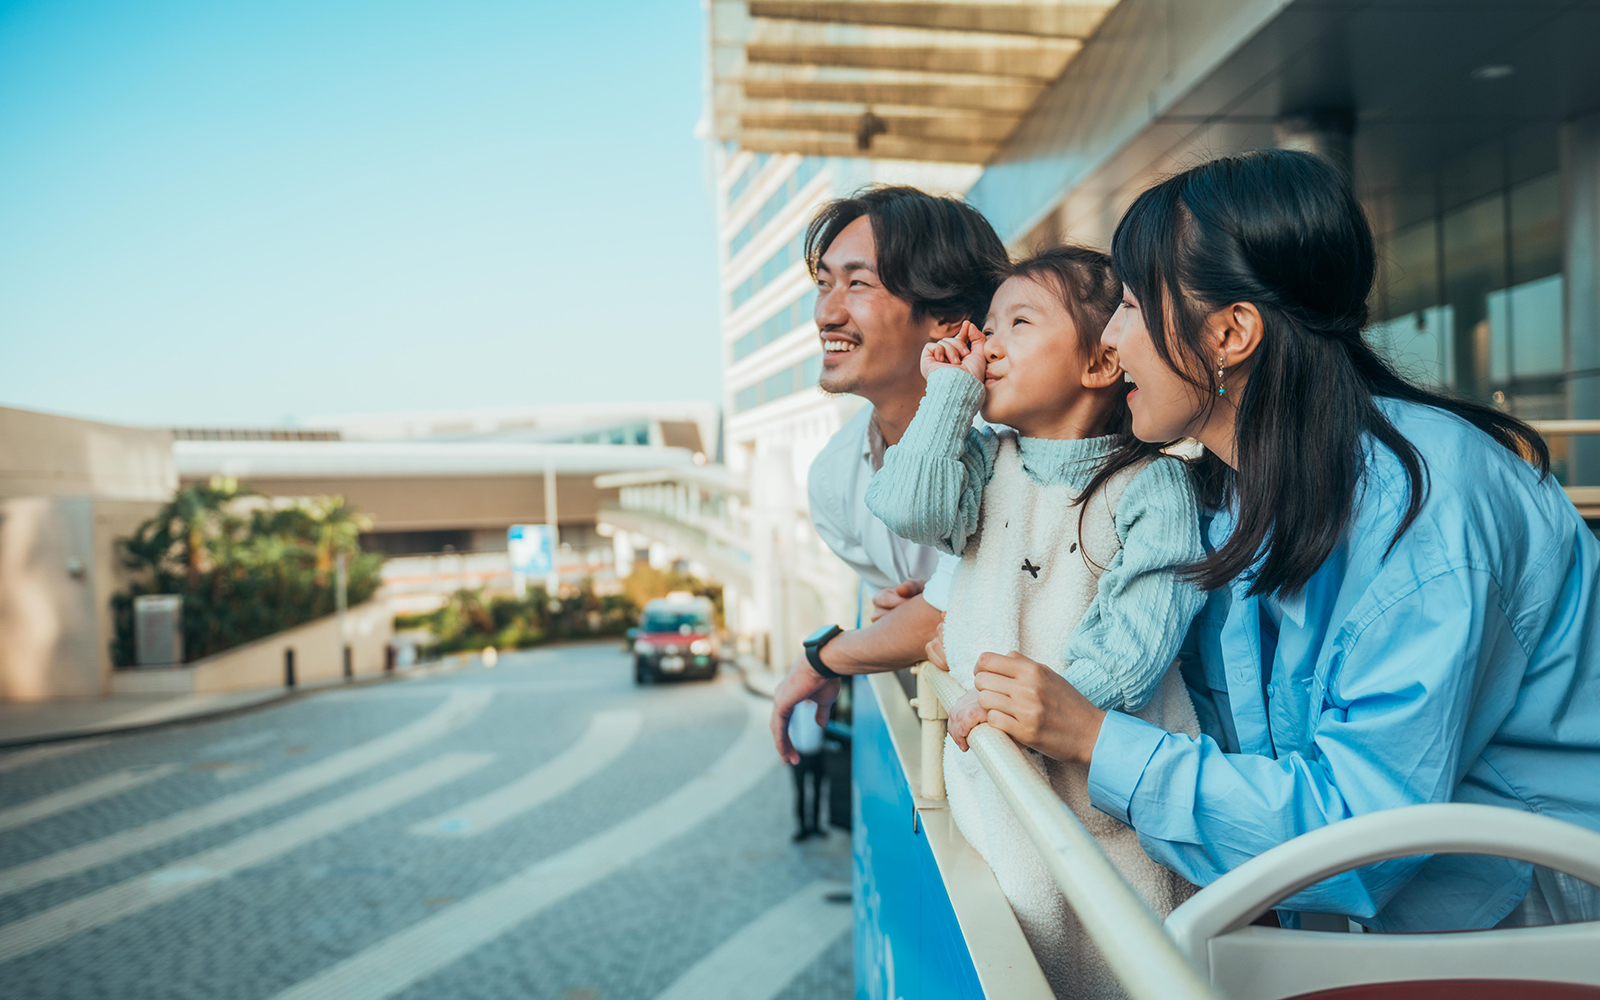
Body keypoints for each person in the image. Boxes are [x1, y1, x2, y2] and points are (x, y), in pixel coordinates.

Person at [931, 148, 1600, 932]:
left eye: (1135, 307)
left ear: (1231, 332)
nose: (1112, 340)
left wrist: (1094, 738)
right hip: (1381, 932)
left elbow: (1360, 841)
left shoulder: (1430, 513)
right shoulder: (1235, 489)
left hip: (1528, 940)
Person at [865, 246, 1206, 998]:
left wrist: (1028, 708)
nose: (987, 344)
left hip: (1100, 795)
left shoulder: (1153, 486)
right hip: (997, 775)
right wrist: (949, 397)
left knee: (1116, 957)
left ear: (1098, 363)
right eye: (987, 327)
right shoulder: (989, 464)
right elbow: (908, 506)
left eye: (1017, 323)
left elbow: (1137, 643)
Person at [771, 185, 1009, 761]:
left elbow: (948, 613)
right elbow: (913, 623)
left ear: (946, 315)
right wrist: (899, 626)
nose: (827, 312)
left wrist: (824, 657)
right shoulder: (833, 480)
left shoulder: (1025, 440)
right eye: (825, 283)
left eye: (858, 283)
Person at [787, 699, 828, 841]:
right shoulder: (795, 706)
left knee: (818, 790)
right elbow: (787, 727)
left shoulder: (821, 704)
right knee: (800, 792)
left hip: (818, 754)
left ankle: (816, 825)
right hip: (799, 755)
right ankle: (802, 827)